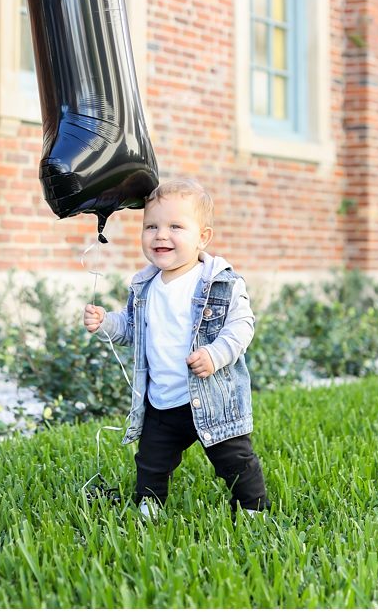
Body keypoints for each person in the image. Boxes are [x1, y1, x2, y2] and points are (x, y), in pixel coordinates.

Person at [83, 177, 269, 518]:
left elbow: (242, 326)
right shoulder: (144, 284)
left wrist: (215, 355)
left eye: (175, 226)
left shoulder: (220, 282)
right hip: (162, 402)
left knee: (235, 459)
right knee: (151, 460)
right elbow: (130, 329)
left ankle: (251, 507)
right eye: (151, 225)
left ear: (203, 238)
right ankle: (149, 507)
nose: (160, 235)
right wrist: (105, 323)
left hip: (211, 400)